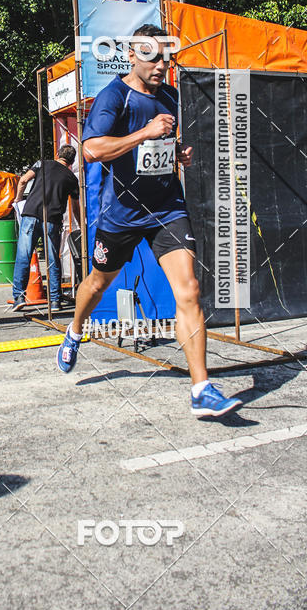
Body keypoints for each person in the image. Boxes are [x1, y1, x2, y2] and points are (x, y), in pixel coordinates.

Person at [57, 24, 244, 417]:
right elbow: (91, 150)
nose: (160, 65)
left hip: (166, 208)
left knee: (189, 290)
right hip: (122, 214)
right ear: (132, 56)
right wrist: (144, 132)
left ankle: (201, 389)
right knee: (97, 283)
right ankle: (74, 330)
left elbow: (164, 144)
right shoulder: (114, 96)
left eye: (165, 57)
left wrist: (178, 153)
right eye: (152, 56)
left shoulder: (170, 96)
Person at [10, 145, 80, 312]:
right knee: (53, 259)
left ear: (57, 154)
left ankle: (19, 297)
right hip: (52, 220)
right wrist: (80, 225)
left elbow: (23, 180)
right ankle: (55, 300)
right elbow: (75, 206)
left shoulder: (42, 163)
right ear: (72, 162)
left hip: (31, 214)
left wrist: (18, 200)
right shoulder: (72, 179)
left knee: (23, 256)